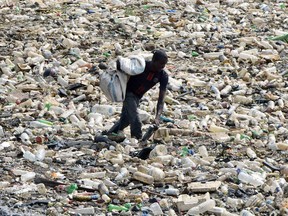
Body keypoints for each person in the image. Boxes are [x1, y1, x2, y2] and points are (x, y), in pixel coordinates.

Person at [106, 50, 169, 141]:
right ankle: (137, 139)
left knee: (126, 119)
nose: (163, 66)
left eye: (165, 64)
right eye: (161, 64)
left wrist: (157, 117)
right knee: (135, 118)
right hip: (128, 92)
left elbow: (161, 99)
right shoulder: (141, 66)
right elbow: (124, 69)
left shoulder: (163, 76)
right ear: (154, 60)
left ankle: (110, 134)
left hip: (137, 97)